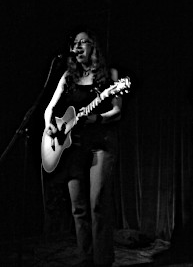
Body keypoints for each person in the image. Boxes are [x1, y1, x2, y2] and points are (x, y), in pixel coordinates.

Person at [43, 27, 123, 267]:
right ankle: (85, 259)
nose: (77, 47)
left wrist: (96, 118)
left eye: (83, 43)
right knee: (78, 208)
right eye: (74, 43)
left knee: (98, 204)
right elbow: (49, 109)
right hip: (73, 149)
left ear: (93, 46)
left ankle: (103, 261)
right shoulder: (68, 77)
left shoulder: (110, 74)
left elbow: (117, 111)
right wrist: (49, 126)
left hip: (101, 146)